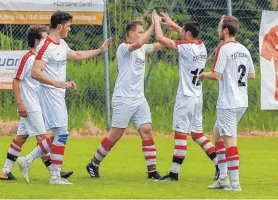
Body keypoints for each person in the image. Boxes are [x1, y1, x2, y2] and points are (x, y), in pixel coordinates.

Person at [18, 11, 112, 185]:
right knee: (62, 134)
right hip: (49, 93)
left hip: (57, 93)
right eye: (69, 25)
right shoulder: (46, 46)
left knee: (60, 134)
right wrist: (57, 83)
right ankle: (55, 177)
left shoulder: (61, 43)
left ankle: (28, 160)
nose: (70, 28)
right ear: (60, 26)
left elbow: (75, 55)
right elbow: (35, 72)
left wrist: (99, 50)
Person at [86, 11, 169, 180]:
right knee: (116, 134)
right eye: (140, 31)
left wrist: (165, 27)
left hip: (139, 98)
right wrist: (153, 24)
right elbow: (139, 43)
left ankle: (152, 171)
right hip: (123, 98)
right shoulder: (124, 48)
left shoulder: (143, 47)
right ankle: (93, 163)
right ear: (131, 33)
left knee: (147, 131)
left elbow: (161, 44)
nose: (141, 34)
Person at [0, 25, 73, 181]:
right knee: (43, 138)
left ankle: (5, 171)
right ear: (37, 41)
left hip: (38, 104)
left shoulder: (42, 58)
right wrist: (20, 103)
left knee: (21, 138)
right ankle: (55, 172)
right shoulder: (28, 58)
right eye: (45, 39)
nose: (48, 42)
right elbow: (15, 81)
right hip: (31, 106)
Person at [151, 11, 219, 182]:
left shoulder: (186, 48)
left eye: (184, 31)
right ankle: (220, 164)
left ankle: (173, 174)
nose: (182, 32)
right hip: (197, 97)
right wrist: (171, 24)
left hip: (186, 97)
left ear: (188, 34)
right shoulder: (201, 45)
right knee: (197, 134)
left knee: (181, 134)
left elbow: (161, 39)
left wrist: (157, 22)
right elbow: (184, 32)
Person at [200, 15, 256, 191]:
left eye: (219, 28)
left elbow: (216, 74)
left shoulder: (224, 49)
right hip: (241, 101)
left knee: (230, 140)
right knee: (217, 135)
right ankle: (223, 178)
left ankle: (235, 184)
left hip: (228, 102)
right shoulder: (244, 49)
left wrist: (202, 75)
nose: (217, 31)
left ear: (225, 30)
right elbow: (252, 75)